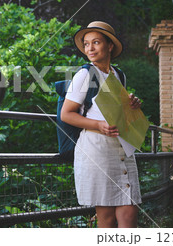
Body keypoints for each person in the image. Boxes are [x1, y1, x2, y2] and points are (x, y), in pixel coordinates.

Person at [61, 21, 142, 228]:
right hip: (97, 150)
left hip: (122, 148)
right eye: (87, 44)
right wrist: (98, 125)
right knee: (105, 218)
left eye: (96, 42)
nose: (90, 48)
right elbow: (66, 114)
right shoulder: (85, 74)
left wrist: (132, 103)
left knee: (129, 214)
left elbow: (116, 109)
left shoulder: (119, 75)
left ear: (110, 46)